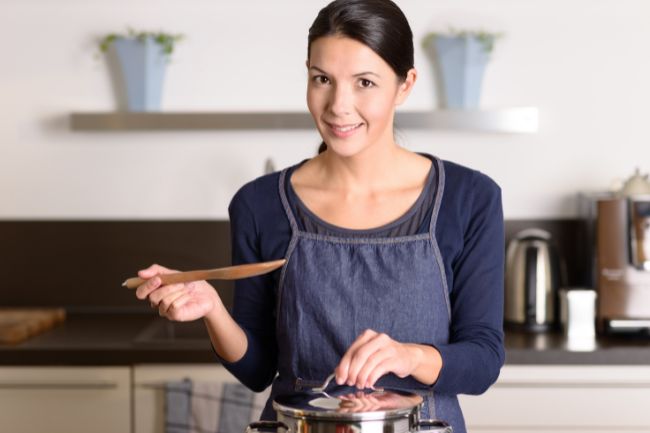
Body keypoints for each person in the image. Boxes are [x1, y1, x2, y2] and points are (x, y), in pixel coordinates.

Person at [134, 1, 505, 432]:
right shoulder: (260, 204)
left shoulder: (469, 199)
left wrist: (410, 355)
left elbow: (483, 359)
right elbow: (257, 369)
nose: (338, 106)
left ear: (405, 86)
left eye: (364, 82)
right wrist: (214, 309)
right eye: (322, 79)